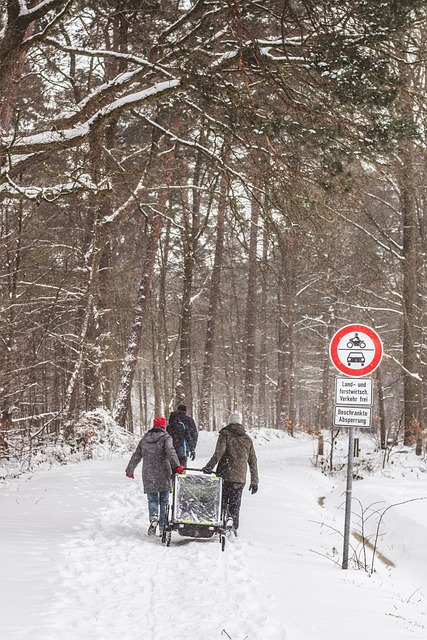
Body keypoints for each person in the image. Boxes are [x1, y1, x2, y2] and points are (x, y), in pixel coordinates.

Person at [202, 410, 258, 536]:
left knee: (222, 502)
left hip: (225, 475)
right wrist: (255, 481)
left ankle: (221, 525)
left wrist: (209, 467)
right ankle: (233, 528)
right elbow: (253, 460)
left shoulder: (225, 435)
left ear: (230, 421)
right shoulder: (247, 439)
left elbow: (219, 453)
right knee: (235, 504)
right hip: (239, 478)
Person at [125, 416, 184, 536]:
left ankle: (153, 518)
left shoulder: (145, 439)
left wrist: (130, 470)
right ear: (164, 426)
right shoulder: (166, 438)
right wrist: (177, 466)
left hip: (148, 473)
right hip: (163, 472)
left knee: (152, 500)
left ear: (154, 425)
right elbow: (171, 452)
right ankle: (162, 526)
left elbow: (136, 455)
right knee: (164, 501)